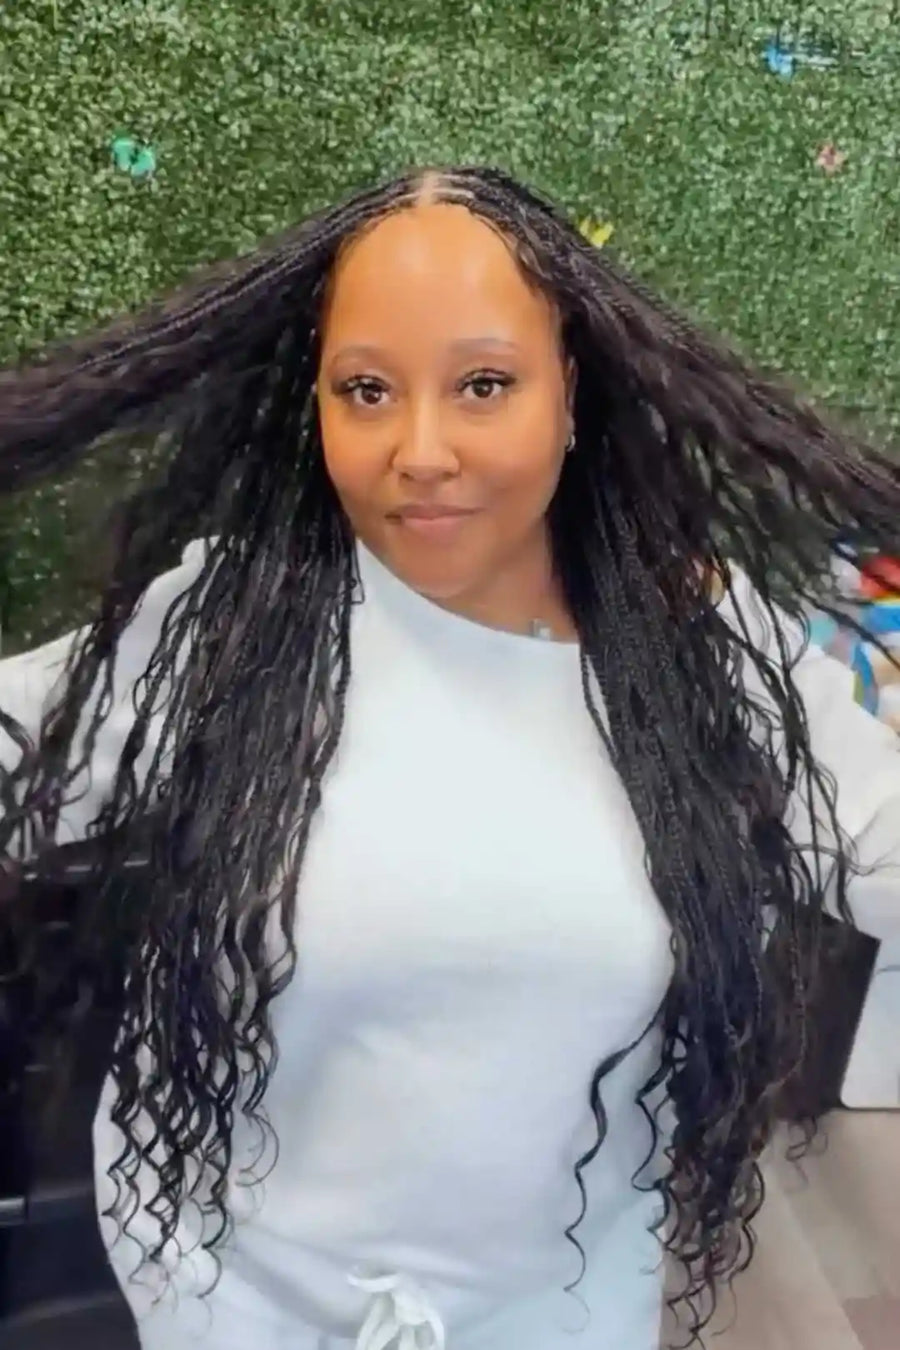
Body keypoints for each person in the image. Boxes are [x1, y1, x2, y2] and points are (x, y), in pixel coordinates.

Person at [0, 165, 898, 1350]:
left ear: (570, 393)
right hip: (230, 1305)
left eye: (483, 383)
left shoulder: (705, 652)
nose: (419, 450)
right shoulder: (225, 626)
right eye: (365, 389)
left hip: (553, 1308)